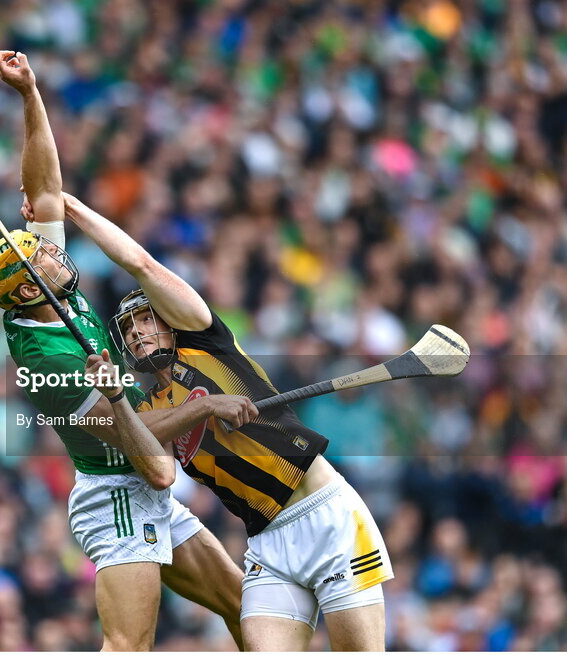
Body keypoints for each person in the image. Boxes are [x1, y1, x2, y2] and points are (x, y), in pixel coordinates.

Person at [0, 50, 255, 651]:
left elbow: (46, 190)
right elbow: (154, 462)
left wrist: (29, 94)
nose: (58, 252)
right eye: (45, 256)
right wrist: (207, 407)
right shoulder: (46, 360)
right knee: (128, 644)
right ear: (29, 286)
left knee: (241, 605)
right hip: (116, 492)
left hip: (140, 479)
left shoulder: (51, 294)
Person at [57, 192, 394, 651]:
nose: (137, 333)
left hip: (326, 518)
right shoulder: (151, 408)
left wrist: (73, 210)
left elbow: (141, 264)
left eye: (145, 320)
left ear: (171, 322)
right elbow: (154, 465)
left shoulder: (205, 339)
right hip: (266, 543)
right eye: (129, 330)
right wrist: (124, 398)